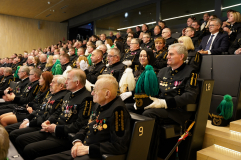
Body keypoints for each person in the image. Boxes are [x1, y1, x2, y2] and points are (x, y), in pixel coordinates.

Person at [122, 43, 199, 160]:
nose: (167, 56)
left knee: (149, 114)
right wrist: (136, 98)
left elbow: (190, 96)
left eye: (171, 54)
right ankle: (129, 147)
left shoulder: (191, 72)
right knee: (127, 107)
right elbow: (152, 90)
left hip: (176, 111)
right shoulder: (163, 71)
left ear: (181, 56)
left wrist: (164, 103)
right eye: (168, 54)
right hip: (158, 105)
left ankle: (150, 154)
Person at [36, 74, 131, 160]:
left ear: (107, 94)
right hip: (83, 148)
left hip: (97, 154)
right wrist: (77, 141)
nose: (92, 93)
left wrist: (89, 149)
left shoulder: (118, 111)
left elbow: (119, 146)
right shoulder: (99, 104)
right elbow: (87, 125)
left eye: (95, 90)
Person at [14, 69, 93, 160]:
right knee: (19, 139)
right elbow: (58, 112)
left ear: (77, 82)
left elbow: (80, 124)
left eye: (68, 79)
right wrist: (49, 121)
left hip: (64, 136)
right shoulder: (68, 95)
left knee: (29, 149)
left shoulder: (86, 98)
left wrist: (56, 128)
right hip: (52, 130)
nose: (65, 82)